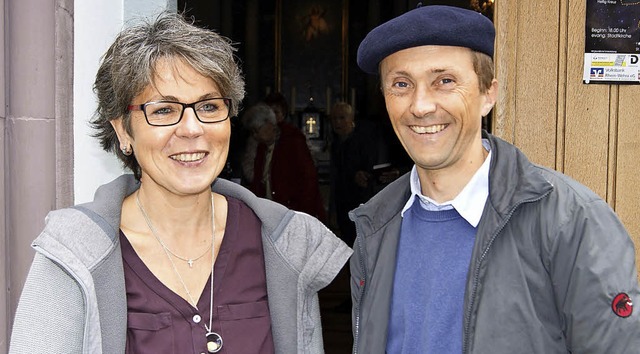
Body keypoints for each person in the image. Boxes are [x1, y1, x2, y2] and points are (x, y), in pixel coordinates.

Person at [9, 12, 351, 354]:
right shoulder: (74, 256)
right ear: (123, 130)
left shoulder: (282, 247)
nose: (191, 129)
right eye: (163, 110)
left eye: (209, 106)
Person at [349, 5, 640, 354]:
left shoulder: (570, 221)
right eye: (401, 84)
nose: (421, 105)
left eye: (445, 81)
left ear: (488, 94)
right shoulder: (374, 227)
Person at [245, 102, 327, 222]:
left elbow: (308, 178)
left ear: (269, 124)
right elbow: (258, 180)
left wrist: (301, 215)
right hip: (272, 213)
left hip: (294, 212)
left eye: (257, 130)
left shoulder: (293, 141)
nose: (255, 136)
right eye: (252, 132)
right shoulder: (262, 147)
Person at [328, 102, 395, 246]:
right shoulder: (335, 144)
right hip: (344, 203)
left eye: (341, 118)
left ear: (351, 119)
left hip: (362, 202)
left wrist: (362, 175)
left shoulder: (366, 139)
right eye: (334, 119)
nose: (337, 123)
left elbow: (374, 168)